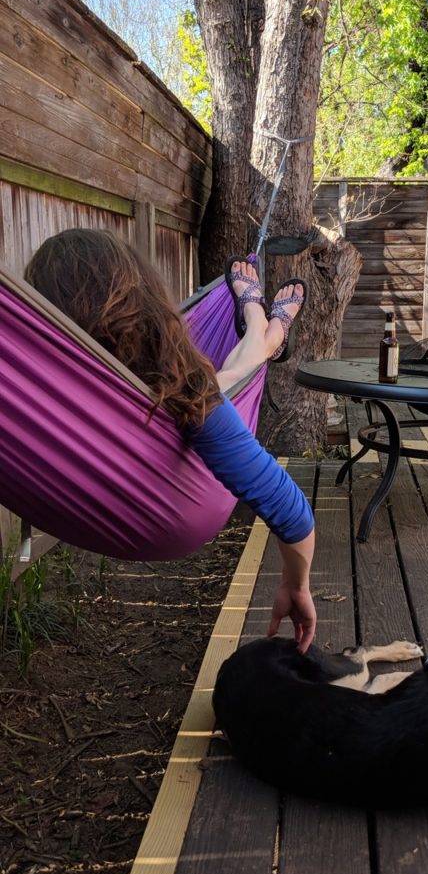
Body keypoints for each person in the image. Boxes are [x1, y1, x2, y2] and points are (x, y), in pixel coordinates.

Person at [24, 229, 316, 653]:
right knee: (228, 380)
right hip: (185, 438)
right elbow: (290, 510)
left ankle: (262, 326)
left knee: (226, 382)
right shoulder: (184, 384)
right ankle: (266, 329)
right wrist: (296, 585)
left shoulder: (36, 382)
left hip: (177, 423)